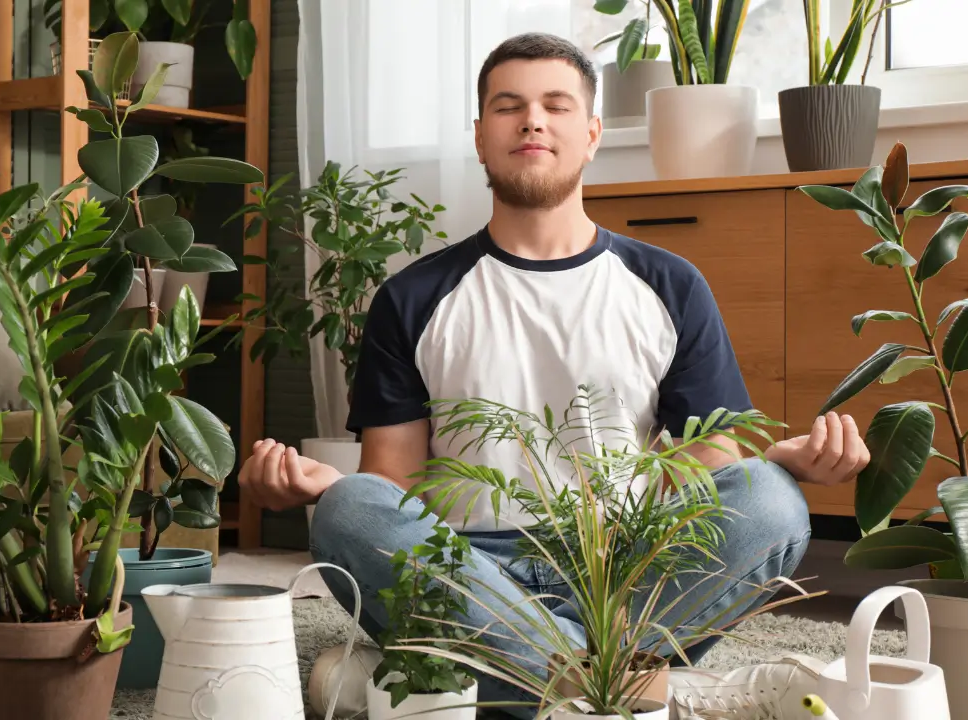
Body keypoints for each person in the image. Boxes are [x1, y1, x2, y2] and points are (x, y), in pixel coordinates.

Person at [239, 32, 871, 718]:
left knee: (769, 499)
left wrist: (777, 461)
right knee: (349, 509)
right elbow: (394, 489)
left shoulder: (669, 285)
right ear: (480, 137)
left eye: (556, 105)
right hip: (464, 567)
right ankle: (617, 686)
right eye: (509, 106)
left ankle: (471, 675)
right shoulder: (414, 298)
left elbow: (704, 477)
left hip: (622, 575)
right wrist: (321, 487)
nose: (533, 120)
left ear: (592, 133)